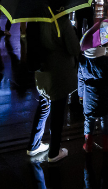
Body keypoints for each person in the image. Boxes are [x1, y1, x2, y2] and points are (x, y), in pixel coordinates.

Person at [28, 17, 80, 162]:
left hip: (42, 72)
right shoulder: (60, 19)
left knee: (44, 105)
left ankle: (33, 145)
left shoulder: (35, 18)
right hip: (59, 72)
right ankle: (54, 151)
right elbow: (74, 48)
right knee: (58, 110)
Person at [77, 45, 108, 151]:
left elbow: (80, 80)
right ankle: (105, 142)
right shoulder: (105, 60)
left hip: (89, 96)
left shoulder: (83, 61)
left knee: (89, 119)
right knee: (105, 119)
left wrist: (81, 95)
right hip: (105, 96)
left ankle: (88, 143)